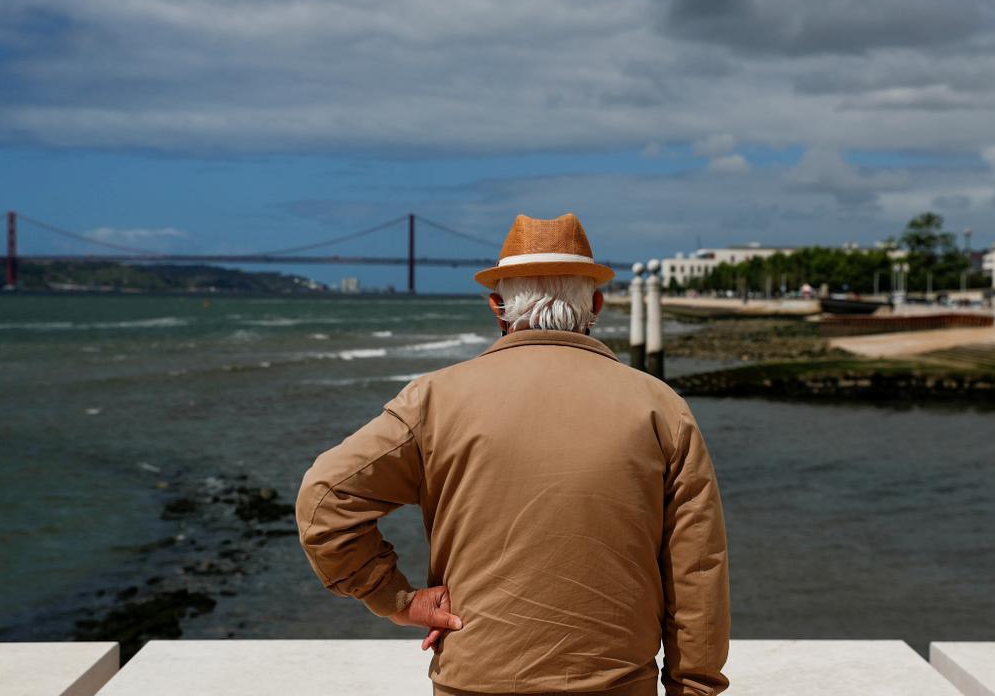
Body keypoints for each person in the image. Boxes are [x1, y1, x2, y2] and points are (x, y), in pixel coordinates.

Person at [295, 212, 730, 696]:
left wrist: (397, 599)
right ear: (598, 304)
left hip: (475, 681)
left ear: (497, 307)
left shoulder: (433, 402)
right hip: (616, 684)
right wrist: (694, 688)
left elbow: (324, 501)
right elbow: (697, 570)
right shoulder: (660, 407)